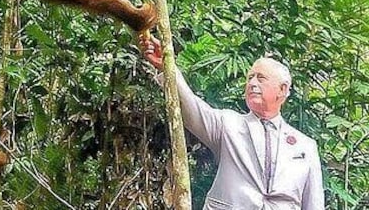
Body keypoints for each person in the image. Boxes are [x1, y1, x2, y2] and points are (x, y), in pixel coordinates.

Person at [139, 35, 324, 209]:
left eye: (261, 78)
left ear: (282, 90)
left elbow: (314, 205)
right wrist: (167, 68)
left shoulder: (306, 146)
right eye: (250, 78)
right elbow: (191, 108)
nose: (252, 83)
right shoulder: (228, 124)